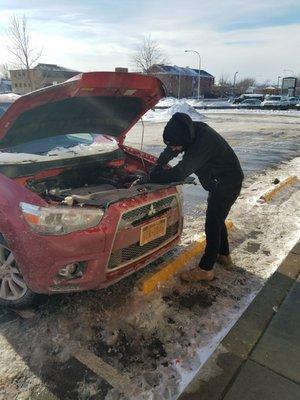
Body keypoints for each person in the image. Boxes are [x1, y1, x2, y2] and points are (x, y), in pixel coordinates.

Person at [149, 112, 244, 282]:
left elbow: (180, 172)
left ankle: (205, 269)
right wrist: (159, 163)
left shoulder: (204, 142)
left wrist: (154, 177)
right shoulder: (189, 131)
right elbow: (172, 148)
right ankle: (223, 256)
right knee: (217, 219)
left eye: (177, 146)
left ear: (185, 139)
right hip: (218, 182)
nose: (175, 150)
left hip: (227, 183)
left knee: (212, 223)